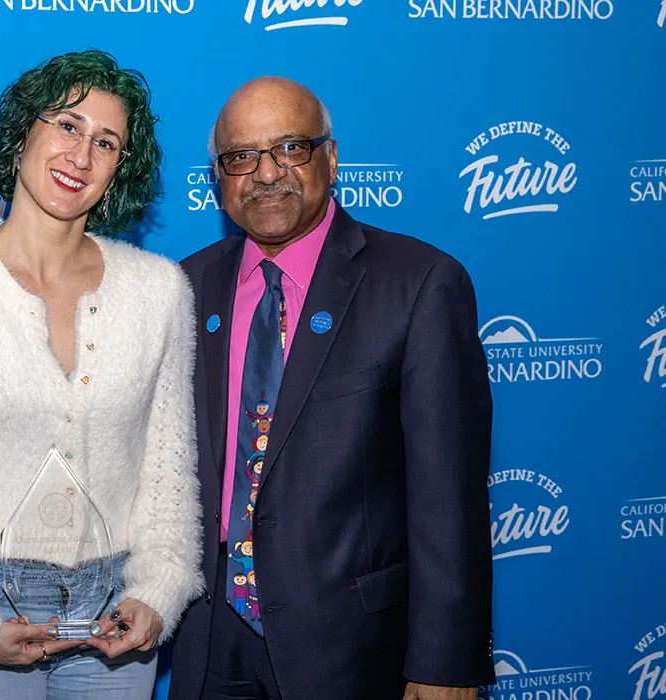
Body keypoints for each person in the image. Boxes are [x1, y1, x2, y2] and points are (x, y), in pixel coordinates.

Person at [0, 50, 204, 700]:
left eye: (105, 142)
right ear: (23, 133)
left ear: (120, 172)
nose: (81, 155)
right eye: (66, 125)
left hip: (114, 621)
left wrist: (158, 591)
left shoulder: (160, 290)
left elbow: (167, 474)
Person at [168, 77, 495, 700]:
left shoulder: (420, 284)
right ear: (218, 177)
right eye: (240, 157)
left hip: (353, 648)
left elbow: (447, 494)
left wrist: (445, 663)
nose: (265, 174)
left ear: (332, 158)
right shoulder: (186, 287)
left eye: (290, 148)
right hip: (211, 642)